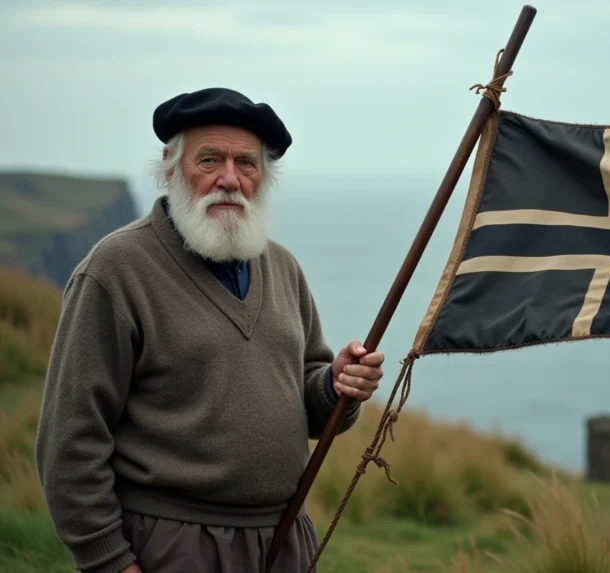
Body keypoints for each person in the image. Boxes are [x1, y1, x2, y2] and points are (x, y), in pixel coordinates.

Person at [34, 87, 385, 573]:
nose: (230, 179)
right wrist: (109, 561)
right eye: (209, 160)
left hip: (284, 540)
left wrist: (335, 384)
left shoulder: (283, 267)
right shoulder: (116, 271)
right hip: (171, 547)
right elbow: (70, 441)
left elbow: (308, 403)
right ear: (171, 166)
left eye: (247, 163)